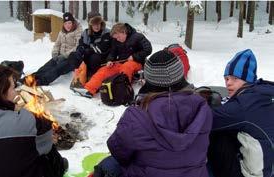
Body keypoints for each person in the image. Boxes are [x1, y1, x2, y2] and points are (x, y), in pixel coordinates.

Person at [93, 50, 213, 177]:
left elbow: (118, 150)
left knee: (108, 164)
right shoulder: (203, 108)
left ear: (149, 80)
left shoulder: (137, 116)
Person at [0, 65, 68, 177]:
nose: (16, 93)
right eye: (13, 88)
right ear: (1, 92)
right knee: (48, 156)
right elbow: (46, 145)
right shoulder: (29, 121)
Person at [207, 49, 274, 177]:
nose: (228, 83)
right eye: (226, 78)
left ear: (248, 80)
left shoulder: (244, 105)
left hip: (253, 174)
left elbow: (208, 119)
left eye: (235, 78)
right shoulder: (263, 93)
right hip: (267, 166)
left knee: (215, 136)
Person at [73, 23, 152, 98]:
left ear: (124, 32)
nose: (117, 39)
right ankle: (88, 90)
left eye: (118, 37)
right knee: (104, 70)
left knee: (126, 67)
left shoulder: (138, 37)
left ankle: (123, 92)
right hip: (121, 62)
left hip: (137, 63)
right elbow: (113, 52)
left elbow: (148, 49)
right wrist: (110, 60)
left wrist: (134, 56)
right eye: (116, 38)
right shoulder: (116, 40)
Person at [26, 12, 83, 86]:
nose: (67, 26)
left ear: (73, 22)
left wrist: (64, 56)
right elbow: (57, 44)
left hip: (72, 59)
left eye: (69, 23)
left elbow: (77, 47)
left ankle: (42, 81)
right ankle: (29, 78)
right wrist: (55, 53)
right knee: (47, 66)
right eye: (65, 24)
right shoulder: (62, 32)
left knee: (57, 69)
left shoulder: (78, 31)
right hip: (61, 56)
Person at [74, 12, 111, 78]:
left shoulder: (107, 33)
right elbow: (81, 44)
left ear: (101, 23)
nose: (96, 26)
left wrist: (88, 50)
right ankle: (79, 76)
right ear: (90, 25)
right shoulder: (85, 33)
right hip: (89, 55)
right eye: (94, 24)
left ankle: (93, 77)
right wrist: (80, 50)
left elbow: (102, 48)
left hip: (102, 57)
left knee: (94, 58)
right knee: (74, 55)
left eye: (98, 24)